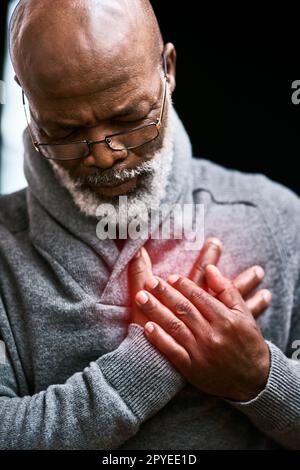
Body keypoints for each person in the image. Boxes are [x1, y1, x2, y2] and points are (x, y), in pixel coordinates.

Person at [0, 0, 299, 450]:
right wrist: (150, 362)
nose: (103, 155)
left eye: (128, 119)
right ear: (27, 101)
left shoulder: (276, 217)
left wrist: (261, 378)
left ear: (169, 69)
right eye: (64, 132)